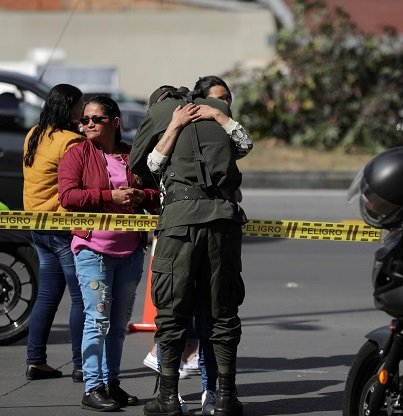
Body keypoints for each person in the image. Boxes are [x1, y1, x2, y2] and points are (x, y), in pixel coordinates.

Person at [130, 83, 248, 416]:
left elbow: (141, 166)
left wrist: (170, 132)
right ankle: (225, 397)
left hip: (179, 224)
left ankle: (168, 397)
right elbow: (242, 150)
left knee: (171, 312)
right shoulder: (219, 112)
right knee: (222, 311)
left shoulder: (159, 114)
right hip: (222, 222)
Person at [58, 96, 160, 412]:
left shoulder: (134, 155)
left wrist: (139, 194)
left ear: (115, 123)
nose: (88, 124)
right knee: (97, 320)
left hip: (129, 252)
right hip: (92, 250)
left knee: (117, 325)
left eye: (96, 119)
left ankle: (110, 383)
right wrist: (109, 195)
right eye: (84, 119)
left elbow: (157, 194)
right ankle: (92, 387)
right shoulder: (76, 154)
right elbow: (68, 196)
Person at [22, 83, 86, 382]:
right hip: (62, 228)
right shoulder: (70, 141)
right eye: (80, 105)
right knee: (80, 298)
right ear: (69, 106)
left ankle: (36, 361)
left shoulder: (33, 135)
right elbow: (78, 185)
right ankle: (81, 365)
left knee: (47, 296)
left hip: (37, 226)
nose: (83, 110)